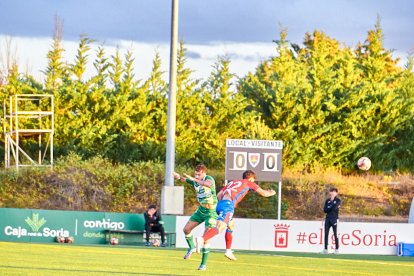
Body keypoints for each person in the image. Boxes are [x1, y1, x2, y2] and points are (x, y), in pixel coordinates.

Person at [195, 170, 276, 271]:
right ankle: (202, 239)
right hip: (227, 206)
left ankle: (228, 251)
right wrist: (272, 192)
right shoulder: (248, 182)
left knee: (231, 225)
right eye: (253, 180)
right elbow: (264, 193)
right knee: (220, 228)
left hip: (221, 204)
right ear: (251, 178)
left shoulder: (232, 182)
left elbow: (219, 195)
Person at [173, 164, 218, 263]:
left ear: (204, 173)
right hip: (201, 210)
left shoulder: (209, 178)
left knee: (206, 238)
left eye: (199, 174)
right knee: (186, 229)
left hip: (211, 212)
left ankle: (203, 265)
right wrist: (178, 176)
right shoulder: (195, 181)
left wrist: (195, 180)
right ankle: (192, 247)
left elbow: (208, 184)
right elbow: (184, 180)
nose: (196, 176)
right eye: (195, 174)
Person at [321, 187, 341, 254]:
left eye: (334, 192)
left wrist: (330, 205)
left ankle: (337, 249)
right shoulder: (327, 200)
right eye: (331, 191)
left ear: (336, 193)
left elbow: (335, 208)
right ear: (330, 192)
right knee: (326, 234)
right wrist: (330, 206)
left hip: (334, 219)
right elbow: (325, 210)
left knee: (335, 234)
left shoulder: (338, 200)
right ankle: (325, 249)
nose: (332, 193)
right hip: (327, 219)